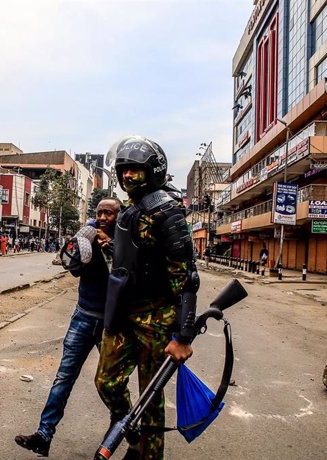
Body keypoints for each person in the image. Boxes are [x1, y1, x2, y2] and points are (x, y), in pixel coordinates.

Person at [95, 136, 198, 459]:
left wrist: (183, 334)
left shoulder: (167, 211)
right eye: (124, 170)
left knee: (150, 400)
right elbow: (131, 261)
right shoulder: (130, 210)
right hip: (123, 315)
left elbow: (187, 276)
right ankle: (132, 429)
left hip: (156, 319)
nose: (127, 176)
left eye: (135, 171)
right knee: (106, 382)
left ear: (152, 171)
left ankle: (147, 452)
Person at [15, 198, 122, 457]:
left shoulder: (125, 242)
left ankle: (121, 431)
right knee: (64, 376)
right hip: (83, 317)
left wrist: (111, 246)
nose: (103, 217)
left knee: (112, 384)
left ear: (119, 216)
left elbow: (130, 271)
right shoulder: (86, 234)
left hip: (112, 323)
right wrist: (81, 244)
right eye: (99, 212)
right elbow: (71, 267)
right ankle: (44, 434)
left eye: (109, 212)